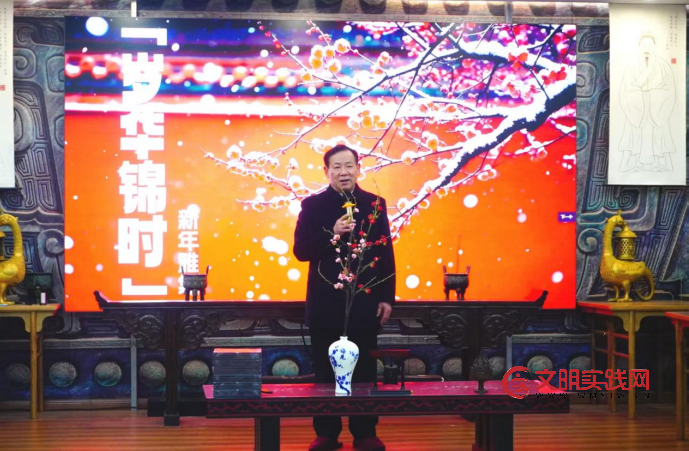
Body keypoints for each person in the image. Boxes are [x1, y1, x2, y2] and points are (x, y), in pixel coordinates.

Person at [293, 144, 396, 451]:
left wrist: (386, 297)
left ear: (358, 168)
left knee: (364, 369)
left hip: (365, 300)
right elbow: (300, 251)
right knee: (326, 370)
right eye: (336, 167)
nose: (343, 172)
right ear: (326, 172)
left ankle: (365, 432)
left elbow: (385, 252)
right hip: (326, 301)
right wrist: (332, 233)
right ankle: (326, 433)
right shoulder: (313, 205)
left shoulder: (374, 204)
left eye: (349, 166)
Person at [618, 34, 677, 173]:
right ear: (639, 47)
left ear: (654, 47)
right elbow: (626, 89)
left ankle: (666, 164)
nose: (647, 48)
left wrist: (652, 95)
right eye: (644, 45)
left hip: (657, 107)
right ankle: (626, 164)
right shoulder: (631, 66)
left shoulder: (663, 65)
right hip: (636, 107)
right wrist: (640, 95)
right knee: (631, 134)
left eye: (649, 45)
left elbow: (669, 89)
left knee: (661, 134)